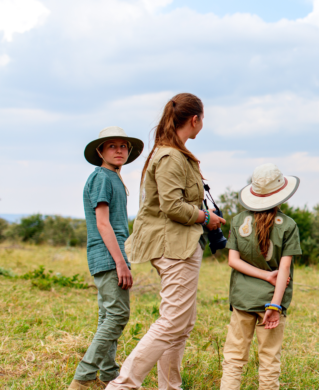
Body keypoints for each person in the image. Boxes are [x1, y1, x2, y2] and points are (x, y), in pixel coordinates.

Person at [106, 93, 225, 390]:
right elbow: (172, 206)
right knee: (172, 322)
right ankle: (122, 385)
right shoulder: (171, 155)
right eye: (203, 119)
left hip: (179, 245)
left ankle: (170, 387)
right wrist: (205, 218)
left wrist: (201, 214)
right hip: (174, 247)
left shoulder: (173, 152)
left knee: (182, 325)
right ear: (195, 119)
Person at [69, 126, 144, 390]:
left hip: (111, 255)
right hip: (110, 257)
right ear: (100, 151)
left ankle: (110, 375)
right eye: (111, 146)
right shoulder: (101, 176)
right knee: (117, 316)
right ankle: (83, 377)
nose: (119, 150)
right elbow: (103, 223)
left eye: (123, 146)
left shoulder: (112, 177)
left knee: (107, 316)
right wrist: (121, 262)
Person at [220, 163, 302, 390]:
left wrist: (264, 276)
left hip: (242, 299)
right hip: (271, 302)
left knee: (234, 358)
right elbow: (283, 270)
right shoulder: (289, 225)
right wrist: (275, 305)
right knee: (269, 360)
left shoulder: (237, 221)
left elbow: (232, 261)